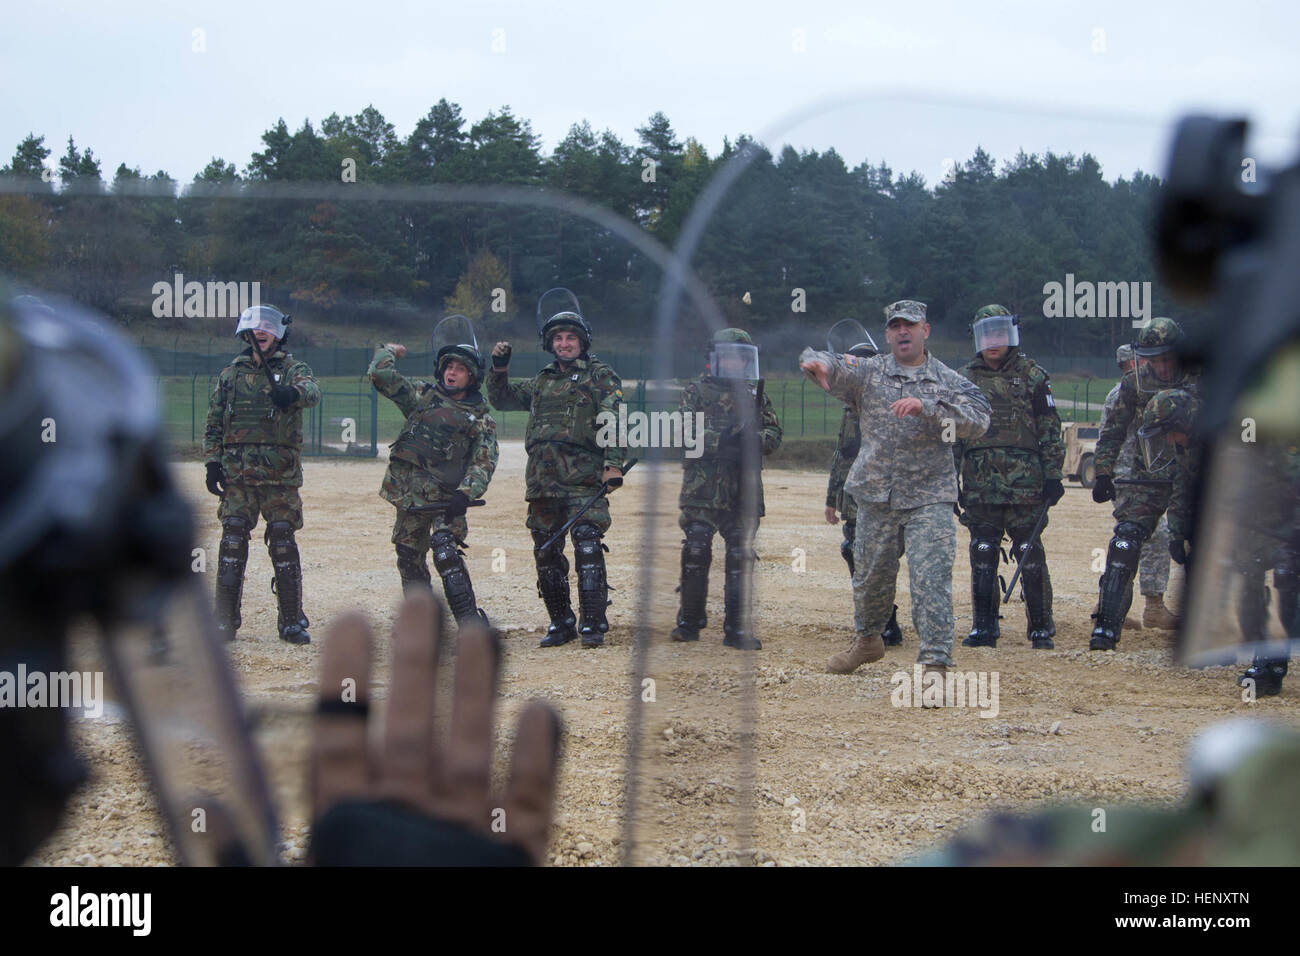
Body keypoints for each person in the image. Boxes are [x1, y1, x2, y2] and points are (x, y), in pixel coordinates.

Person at [799, 300, 991, 700]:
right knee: (870, 580)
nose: (903, 332)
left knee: (930, 579)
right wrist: (817, 364)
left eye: (911, 325)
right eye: (895, 326)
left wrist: (929, 407)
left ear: (926, 330)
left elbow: (979, 421)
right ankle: (868, 640)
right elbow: (833, 363)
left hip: (930, 497)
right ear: (887, 334)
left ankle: (935, 664)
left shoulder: (948, 380)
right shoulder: (869, 373)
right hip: (876, 495)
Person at [487, 289, 625, 648]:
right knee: (546, 551)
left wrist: (613, 464)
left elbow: (614, 418)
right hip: (543, 480)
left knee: (587, 544)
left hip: (583, 478)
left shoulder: (600, 376)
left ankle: (593, 623)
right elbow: (500, 399)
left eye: (571, 338)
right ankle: (560, 622)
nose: (565, 344)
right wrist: (499, 369)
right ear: (551, 344)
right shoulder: (542, 381)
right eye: (559, 339)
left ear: (582, 341)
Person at [368, 315, 498, 625]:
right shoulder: (421, 397)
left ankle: (469, 621)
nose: (453, 372)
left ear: (472, 376)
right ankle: (422, 624)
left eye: (461, 369)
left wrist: (465, 494)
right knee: (409, 557)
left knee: (445, 552)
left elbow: (484, 460)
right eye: (450, 366)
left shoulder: (480, 418)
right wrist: (388, 351)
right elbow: (379, 375)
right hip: (411, 496)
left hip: (447, 499)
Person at [204, 305, 320, 643]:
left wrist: (293, 394)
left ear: (278, 333)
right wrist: (212, 463)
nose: (261, 332)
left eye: (268, 327)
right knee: (232, 541)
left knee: (283, 541)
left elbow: (312, 391)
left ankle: (291, 621)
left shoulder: (294, 369)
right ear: (245, 333)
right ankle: (224, 620)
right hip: (237, 476)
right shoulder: (230, 375)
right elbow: (213, 423)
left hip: (279, 477)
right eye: (256, 328)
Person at [955, 305, 1065, 649]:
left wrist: (1053, 475)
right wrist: (949, 479)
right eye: (987, 334)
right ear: (977, 337)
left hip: (1025, 483)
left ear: (1011, 335)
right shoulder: (964, 380)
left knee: (1029, 553)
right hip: (980, 482)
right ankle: (984, 626)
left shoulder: (1033, 375)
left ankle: (1041, 626)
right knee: (983, 551)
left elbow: (1050, 428)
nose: (993, 341)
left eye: (999, 333)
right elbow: (954, 434)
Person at [1088, 317, 1196, 650]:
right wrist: (1103, 471)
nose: (1160, 366)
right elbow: (1113, 431)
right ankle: (1106, 626)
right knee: (1126, 540)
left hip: (1192, 473)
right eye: (1152, 358)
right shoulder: (1134, 383)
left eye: (1166, 357)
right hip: (1146, 472)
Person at [671, 328, 782, 650]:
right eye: (727, 355)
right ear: (715, 358)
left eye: (740, 357)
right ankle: (689, 622)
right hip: (702, 486)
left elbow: (774, 434)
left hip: (742, 488)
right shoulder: (695, 391)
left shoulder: (754, 395)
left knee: (739, 554)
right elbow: (681, 430)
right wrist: (720, 440)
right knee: (695, 549)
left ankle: (736, 630)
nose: (733, 362)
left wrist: (751, 441)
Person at [824, 321, 902, 645]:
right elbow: (842, 455)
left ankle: (885, 622)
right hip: (853, 499)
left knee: (881, 558)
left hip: (883, 497)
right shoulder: (849, 409)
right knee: (853, 551)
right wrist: (832, 499)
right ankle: (871, 622)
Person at [1099, 344, 1176, 631]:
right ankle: (1148, 607)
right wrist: (1106, 474)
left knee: (1135, 537)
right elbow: (1109, 435)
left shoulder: (1162, 388)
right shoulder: (1123, 392)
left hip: (1154, 474)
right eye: (1145, 359)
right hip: (1130, 476)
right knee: (1148, 535)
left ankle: (1110, 603)